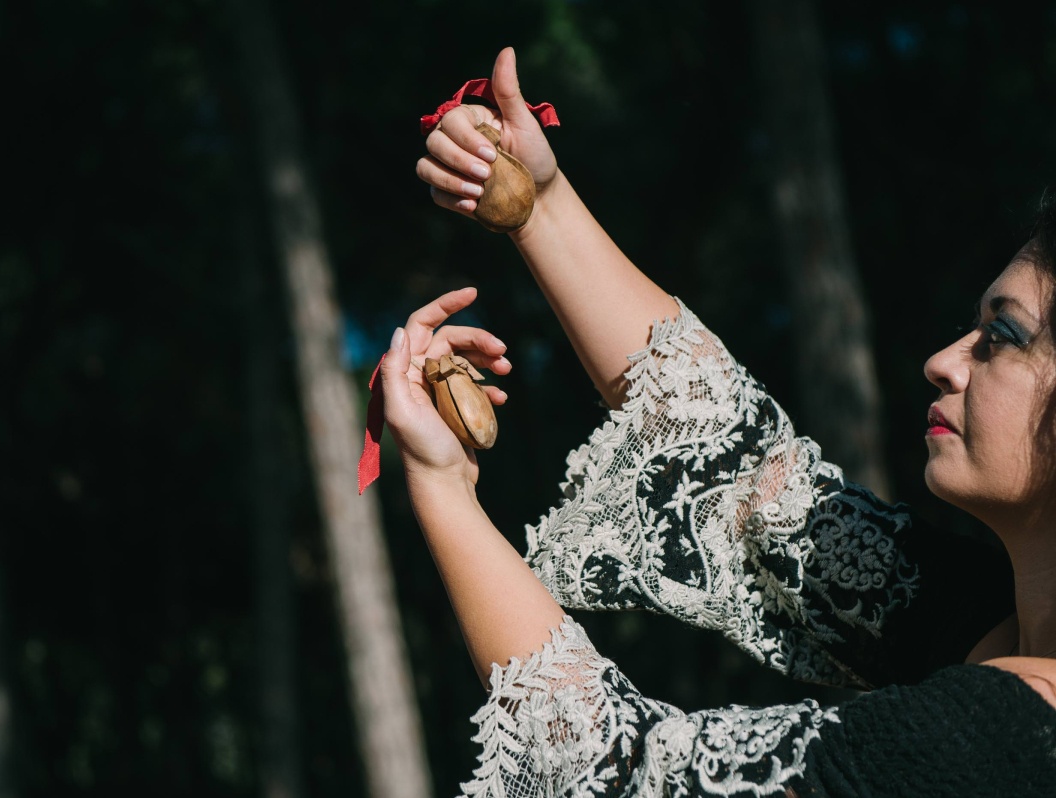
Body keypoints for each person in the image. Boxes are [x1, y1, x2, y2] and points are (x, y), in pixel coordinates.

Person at [381, 45, 1056, 796]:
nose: (943, 360)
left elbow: (617, 774)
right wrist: (540, 205)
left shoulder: (1002, 741)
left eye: (1005, 335)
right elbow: (737, 471)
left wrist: (441, 490)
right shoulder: (987, 617)